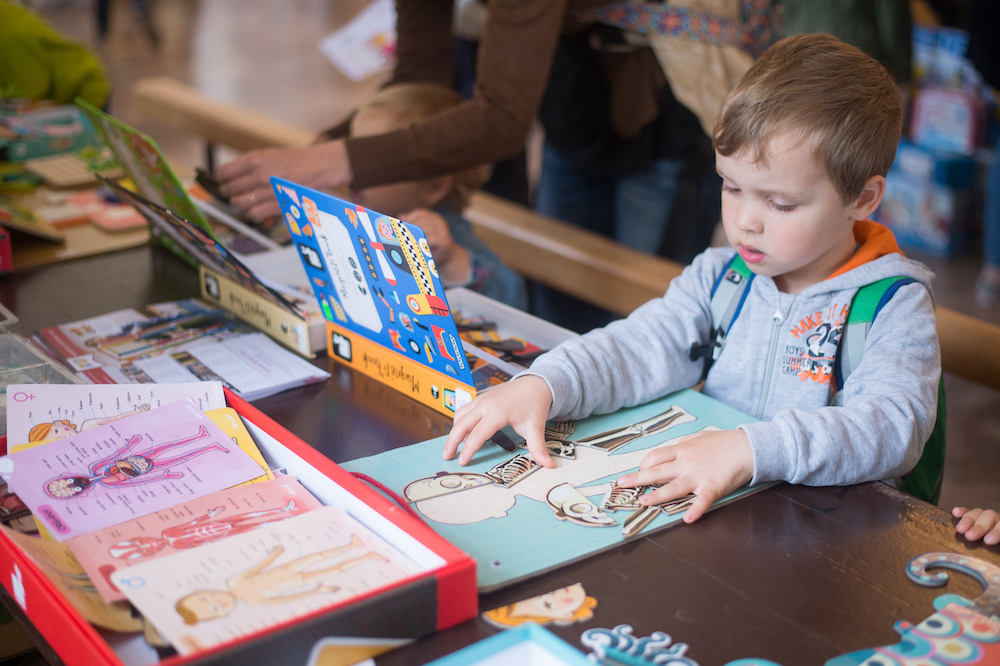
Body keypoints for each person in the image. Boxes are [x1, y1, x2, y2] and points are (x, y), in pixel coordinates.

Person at [443, 34, 941, 524]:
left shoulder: (893, 306)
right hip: (719, 520)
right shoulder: (719, 277)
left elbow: (891, 430)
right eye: (731, 186)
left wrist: (750, 449)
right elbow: (639, 346)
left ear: (862, 198)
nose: (744, 220)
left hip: (820, 537)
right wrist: (546, 383)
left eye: (781, 203)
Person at [346, 83, 527, 309]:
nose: (352, 171)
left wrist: (451, 261)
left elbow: (512, 295)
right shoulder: (369, 212)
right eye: (354, 155)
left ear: (433, 188)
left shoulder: (441, 237)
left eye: (376, 164)